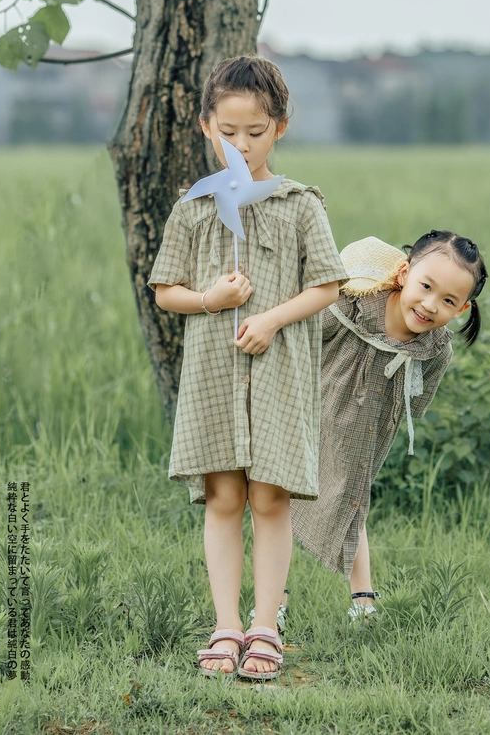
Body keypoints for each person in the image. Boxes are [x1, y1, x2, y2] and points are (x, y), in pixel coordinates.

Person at [148, 55, 348, 679]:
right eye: (227, 133)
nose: (240, 146)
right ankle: (225, 624)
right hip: (214, 375)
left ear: (280, 127)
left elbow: (329, 285)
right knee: (224, 495)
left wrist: (269, 318)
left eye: (255, 133)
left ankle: (266, 624)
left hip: (278, 373)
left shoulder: (299, 204)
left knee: (270, 497)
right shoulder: (193, 208)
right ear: (207, 125)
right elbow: (165, 289)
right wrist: (214, 299)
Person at [290, 230, 488, 622]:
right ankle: (272, 601)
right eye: (426, 287)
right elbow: (304, 340)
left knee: (352, 500)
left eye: (448, 300)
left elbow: (416, 399)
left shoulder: (435, 347)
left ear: (462, 309)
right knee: (279, 497)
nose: (431, 305)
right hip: (309, 408)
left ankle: (363, 603)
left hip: (365, 430)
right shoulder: (354, 305)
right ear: (403, 274)